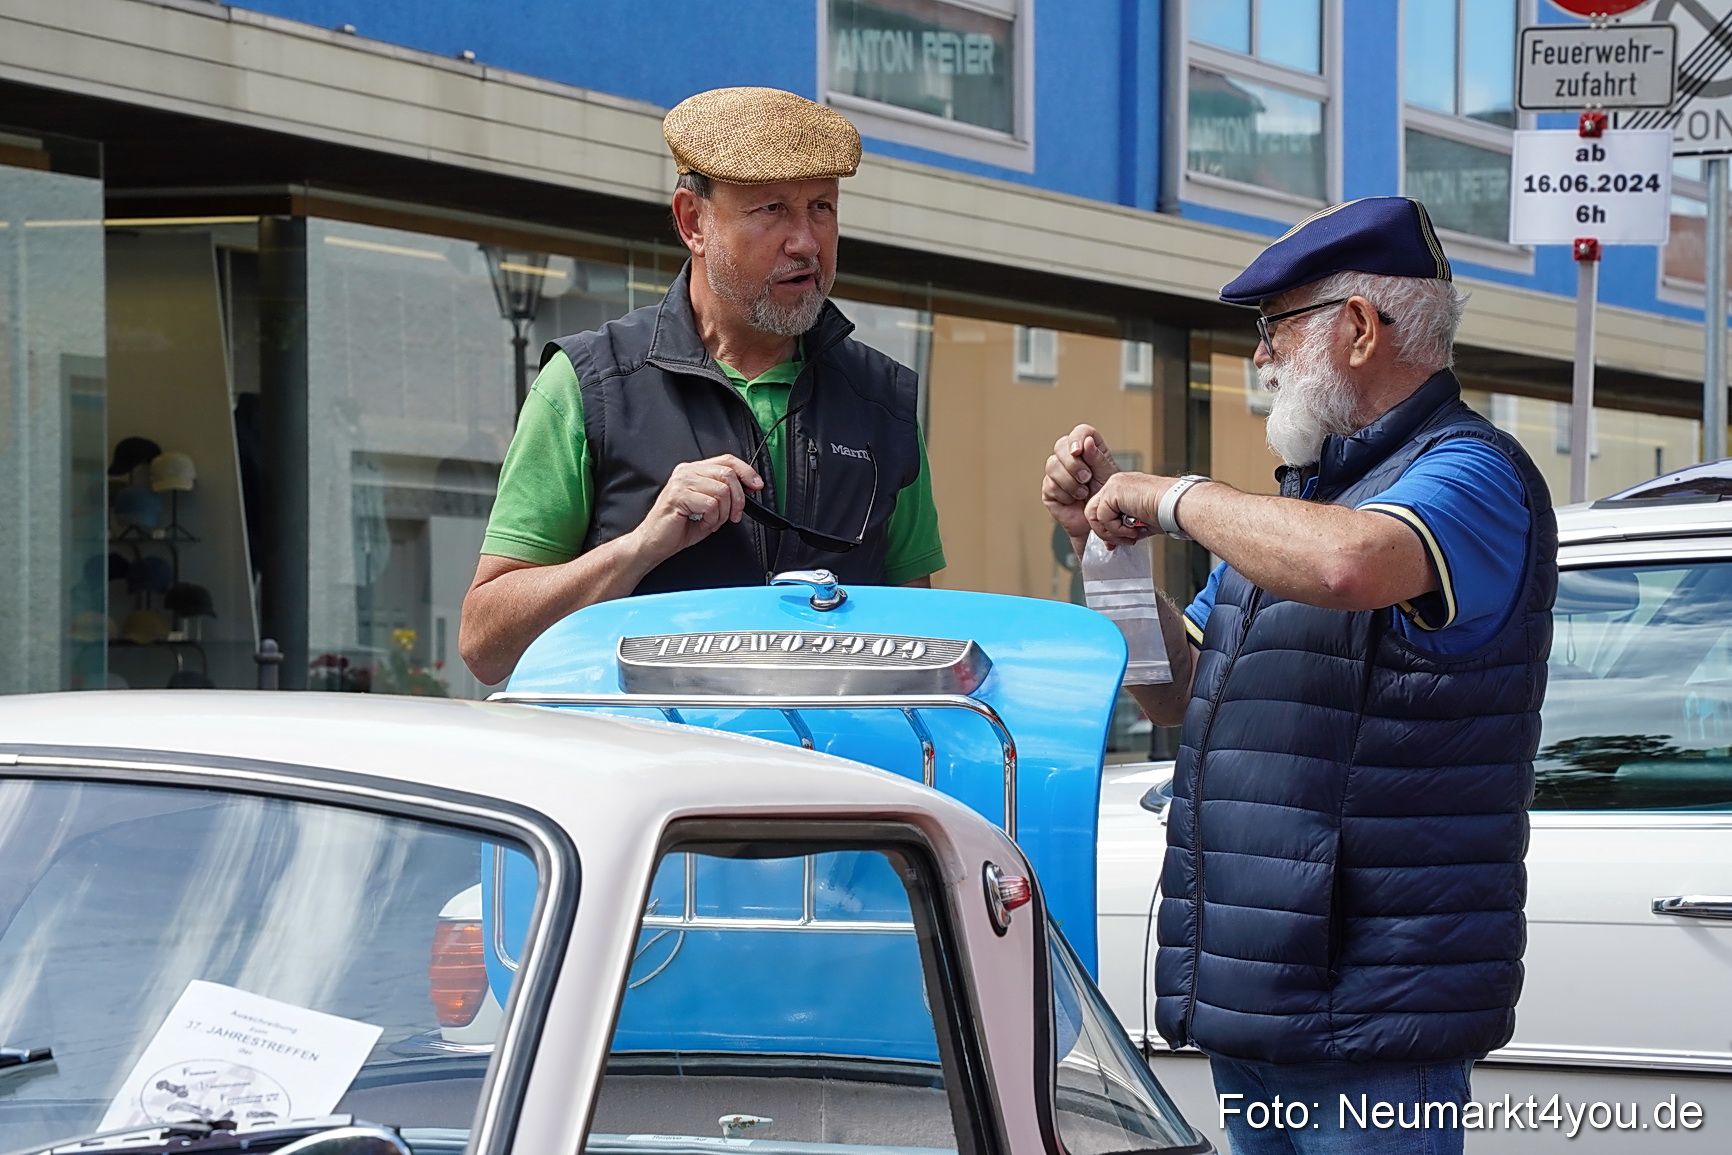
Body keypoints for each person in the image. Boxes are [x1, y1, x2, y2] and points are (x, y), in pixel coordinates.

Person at [1042, 198, 1556, 1155]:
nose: (1260, 360)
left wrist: (1176, 498)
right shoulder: (1299, 505)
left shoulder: (1471, 473)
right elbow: (1176, 692)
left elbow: (1349, 566)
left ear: (1359, 328)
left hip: (1371, 1009)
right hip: (1265, 995)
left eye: (1275, 328)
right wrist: (1109, 556)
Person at [461, 87, 945, 685]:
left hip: (828, 774)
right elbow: (485, 645)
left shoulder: (885, 403)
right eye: (771, 209)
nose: (805, 241)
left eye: (822, 207)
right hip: (643, 769)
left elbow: (919, 641)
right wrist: (639, 548)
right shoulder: (590, 384)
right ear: (693, 220)